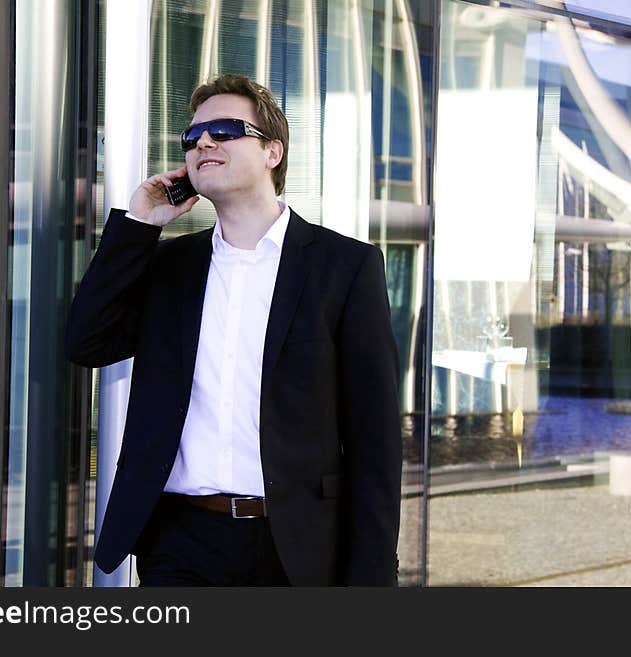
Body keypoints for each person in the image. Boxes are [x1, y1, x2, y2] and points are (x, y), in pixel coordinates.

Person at [65, 73, 402, 586]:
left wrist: (371, 577)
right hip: (179, 544)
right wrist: (139, 224)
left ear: (273, 152)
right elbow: (87, 341)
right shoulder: (170, 266)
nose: (202, 142)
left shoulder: (344, 267)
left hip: (295, 548)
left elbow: (374, 441)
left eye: (224, 130)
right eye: (193, 135)